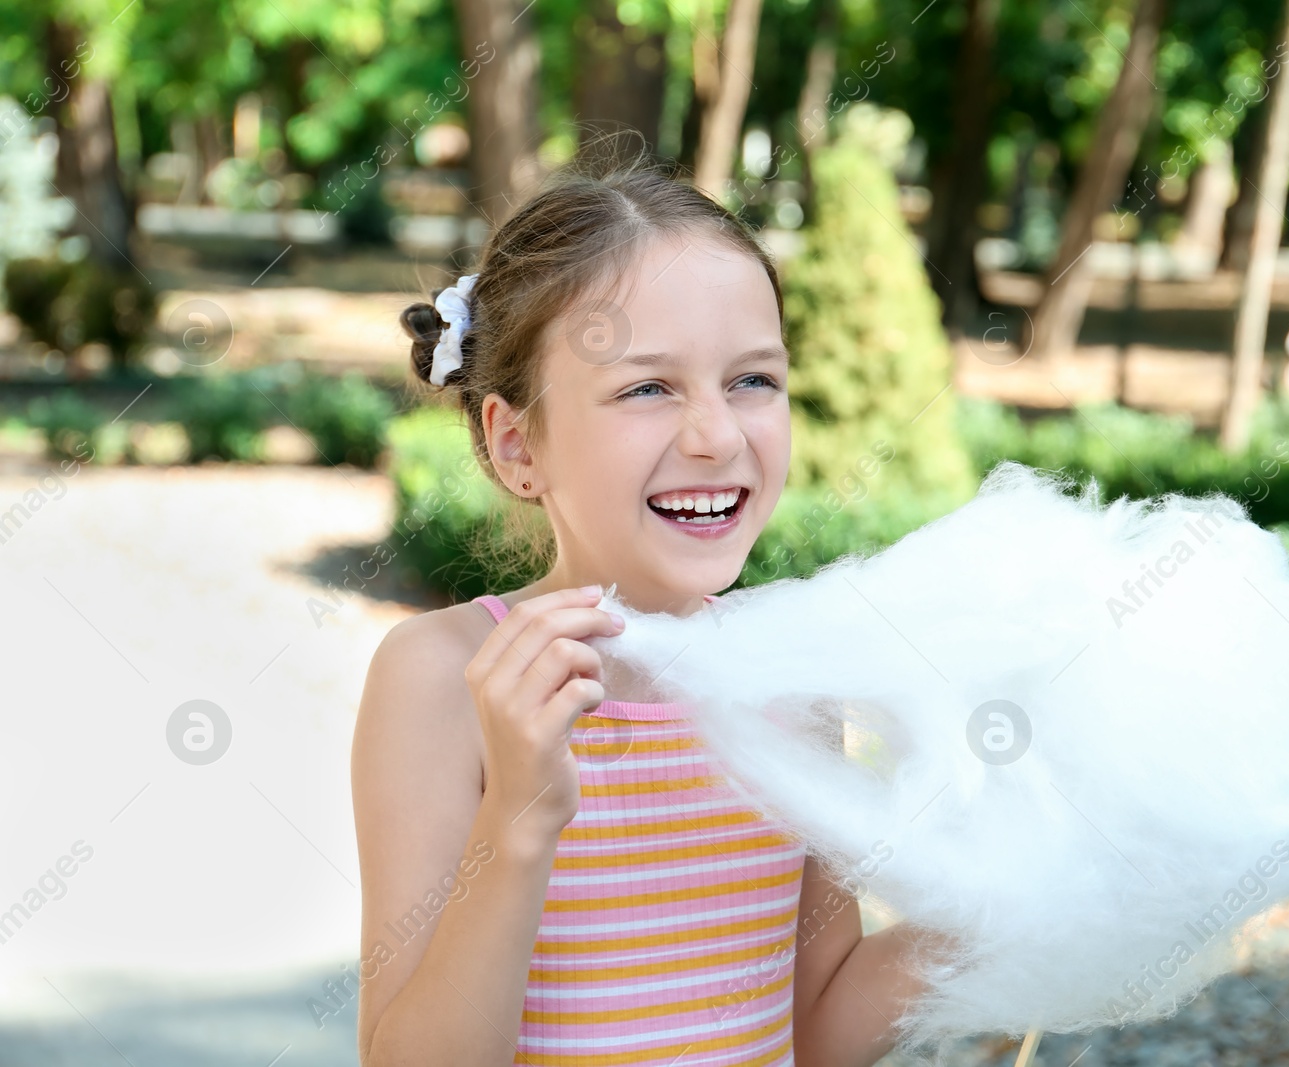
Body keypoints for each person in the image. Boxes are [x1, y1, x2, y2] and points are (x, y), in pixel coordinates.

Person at [351, 144, 937, 1067]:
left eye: (753, 379)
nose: (716, 434)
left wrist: (1008, 903)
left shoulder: (793, 679)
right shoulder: (442, 679)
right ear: (517, 446)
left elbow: (817, 1028)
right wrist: (521, 815)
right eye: (648, 388)